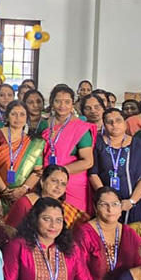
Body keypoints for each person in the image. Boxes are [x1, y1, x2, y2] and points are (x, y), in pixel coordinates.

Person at [74, 187, 141, 280]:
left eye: (115, 204)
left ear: (121, 207)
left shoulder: (130, 233)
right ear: (95, 208)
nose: (110, 209)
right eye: (104, 205)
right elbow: (79, 276)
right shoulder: (84, 234)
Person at [89, 107, 141, 223]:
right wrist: (107, 199)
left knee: (131, 231)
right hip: (105, 204)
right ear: (104, 125)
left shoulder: (140, 146)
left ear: (125, 123)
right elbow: (93, 173)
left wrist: (132, 201)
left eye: (118, 120)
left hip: (133, 202)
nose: (114, 124)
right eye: (109, 122)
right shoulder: (97, 144)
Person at [37, 85, 95, 213]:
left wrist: (59, 173)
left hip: (72, 182)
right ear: (52, 102)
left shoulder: (80, 127)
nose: (62, 105)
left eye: (67, 102)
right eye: (58, 101)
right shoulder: (44, 124)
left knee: (73, 219)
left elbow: (88, 161)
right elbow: (37, 151)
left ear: (72, 104)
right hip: (47, 181)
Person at [0, 101, 45, 211]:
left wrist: (23, 189)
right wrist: (4, 191)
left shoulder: (34, 142)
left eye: (22, 114)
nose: (18, 118)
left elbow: (37, 171)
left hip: (22, 195)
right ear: (7, 116)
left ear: (27, 117)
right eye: (14, 114)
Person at [5, 164, 89, 234]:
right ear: (42, 181)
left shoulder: (66, 209)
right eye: (54, 181)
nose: (58, 187)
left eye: (63, 184)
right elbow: (11, 232)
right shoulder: (25, 203)